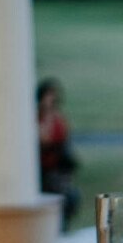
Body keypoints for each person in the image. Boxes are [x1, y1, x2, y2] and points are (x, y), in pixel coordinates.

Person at [37, 78, 80, 229]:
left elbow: (62, 140)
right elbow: (43, 139)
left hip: (57, 170)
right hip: (42, 169)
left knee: (66, 198)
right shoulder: (38, 119)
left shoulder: (58, 119)